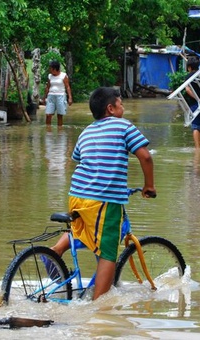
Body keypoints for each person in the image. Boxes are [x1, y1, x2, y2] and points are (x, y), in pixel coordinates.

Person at [50, 87, 156, 300]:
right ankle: (98, 309)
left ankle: (54, 253)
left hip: (77, 196)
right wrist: (149, 186)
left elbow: (79, 159)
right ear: (111, 108)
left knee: (84, 232)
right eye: (121, 104)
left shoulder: (87, 131)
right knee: (108, 252)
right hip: (103, 200)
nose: (123, 108)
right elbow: (145, 157)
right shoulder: (123, 126)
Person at [43, 61, 73, 127]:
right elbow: (48, 87)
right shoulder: (50, 76)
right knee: (48, 115)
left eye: (50, 68)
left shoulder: (63, 76)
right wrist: (44, 97)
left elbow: (67, 87)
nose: (49, 69)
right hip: (51, 96)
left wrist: (70, 97)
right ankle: (48, 131)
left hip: (61, 96)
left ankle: (60, 131)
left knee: (59, 115)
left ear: (54, 69)